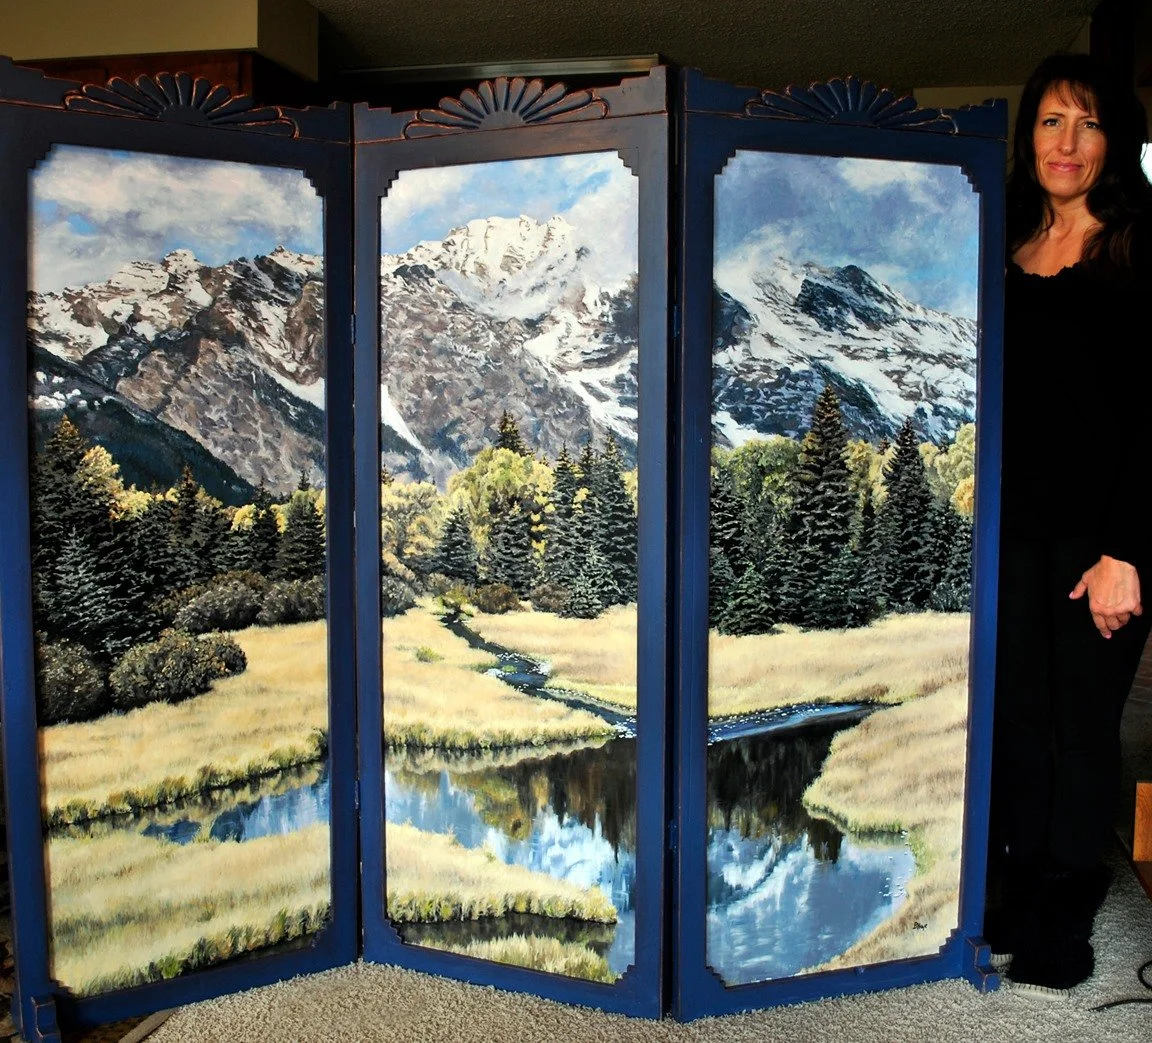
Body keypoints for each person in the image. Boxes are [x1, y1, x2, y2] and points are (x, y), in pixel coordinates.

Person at [986, 51, 1152, 996]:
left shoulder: (1142, 248)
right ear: (1028, 135)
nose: (1068, 142)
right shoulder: (1001, 234)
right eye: (1052, 120)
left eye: (1088, 124)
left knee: (1082, 726)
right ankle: (1012, 885)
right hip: (1010, 527)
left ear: (1113, 142)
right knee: (1015, 714)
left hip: (1104, 539)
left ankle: (1065, 905)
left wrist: (1129, 552)